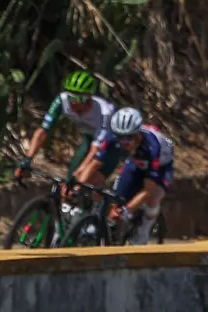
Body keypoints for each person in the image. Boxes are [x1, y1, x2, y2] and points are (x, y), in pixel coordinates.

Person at [75, 106, 173, 245]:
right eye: (121, 137)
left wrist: (127, 210)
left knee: (154, 196)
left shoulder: (152, 146)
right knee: (116, 199)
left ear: (138, 133)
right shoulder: (112, 137)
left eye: (130, 137)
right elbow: (95, 163)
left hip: (162, 165)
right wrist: (78, 186)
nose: (125, 142)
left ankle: (144, 230)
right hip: (135, 162)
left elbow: (147, 190)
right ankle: (113, 235)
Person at [19, 70, 116, 183]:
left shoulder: (104, 112)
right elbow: (42, 131)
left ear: (89, 98)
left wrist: (79, 173)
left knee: (86, 181)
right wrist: (27, 159)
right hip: (89, 139)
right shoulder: (61, 101)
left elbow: (96, 150)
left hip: (110, 146)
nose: (73, 102)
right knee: (68, 182)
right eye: (71, 97)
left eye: (79, 98)